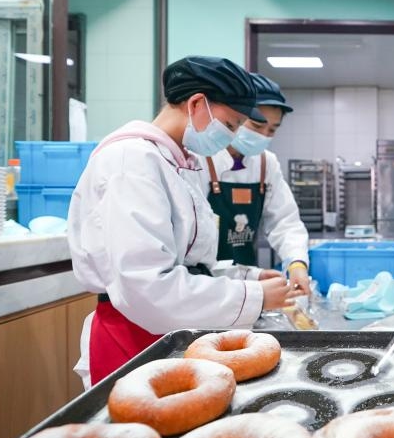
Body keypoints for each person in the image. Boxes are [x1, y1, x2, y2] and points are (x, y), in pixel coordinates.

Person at [68, 56, 293, 387]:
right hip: (133, 337)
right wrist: (253, 296)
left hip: (166, 331)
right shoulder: (131, 161)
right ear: (197, 103)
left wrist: (248, 276)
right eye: (230, 125)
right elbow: (147, 287)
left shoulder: (177, 163)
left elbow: (187, 264)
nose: (231, 138)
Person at [196, 73, 311, 295]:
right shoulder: (201, 158)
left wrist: (296, 263)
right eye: (257, 126)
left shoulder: (266, 163)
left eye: (272, 130)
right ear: (237, 116)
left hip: (247, 282)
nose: (264, 135)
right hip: (202, 284)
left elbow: (284, 222)